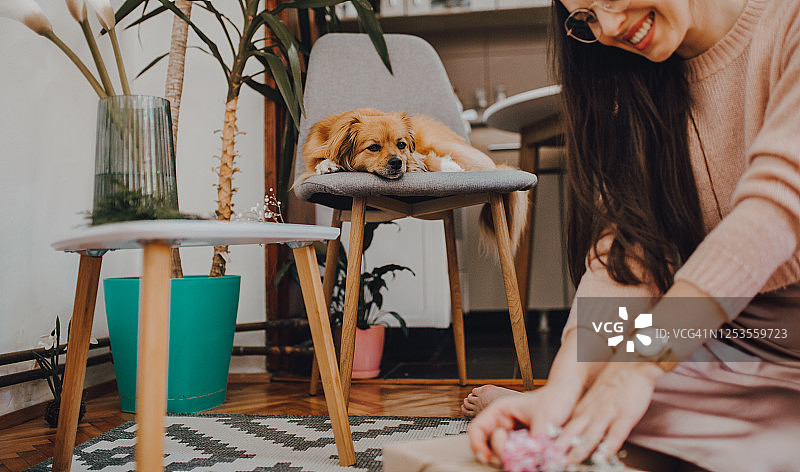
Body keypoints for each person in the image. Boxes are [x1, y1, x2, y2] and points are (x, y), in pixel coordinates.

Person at [464, 0, 800, 470]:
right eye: (585, 18)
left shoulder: (788, 21)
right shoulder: (638, 79)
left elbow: (776, 211)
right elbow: (626, 250)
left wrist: (639, 368)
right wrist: (565, 385)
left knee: (627, 397)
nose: (609, 27)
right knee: (602, 410)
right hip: (712, 335)